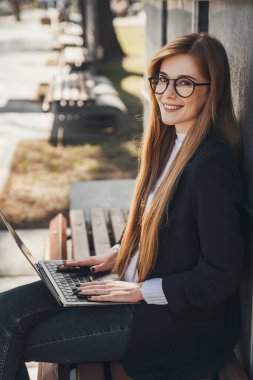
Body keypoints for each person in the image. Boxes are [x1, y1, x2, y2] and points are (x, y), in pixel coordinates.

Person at [0, 32, 245, 380]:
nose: (167, 93)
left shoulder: (211, 165)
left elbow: (220, 276)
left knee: (7, 332)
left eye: (185, 83)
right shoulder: (169, 143)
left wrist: (138, 291)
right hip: (130, 285)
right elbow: (164, 226)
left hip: (171, 325)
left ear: (213, 90)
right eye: (161, 80)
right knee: (4, 313)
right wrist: (119, 253)